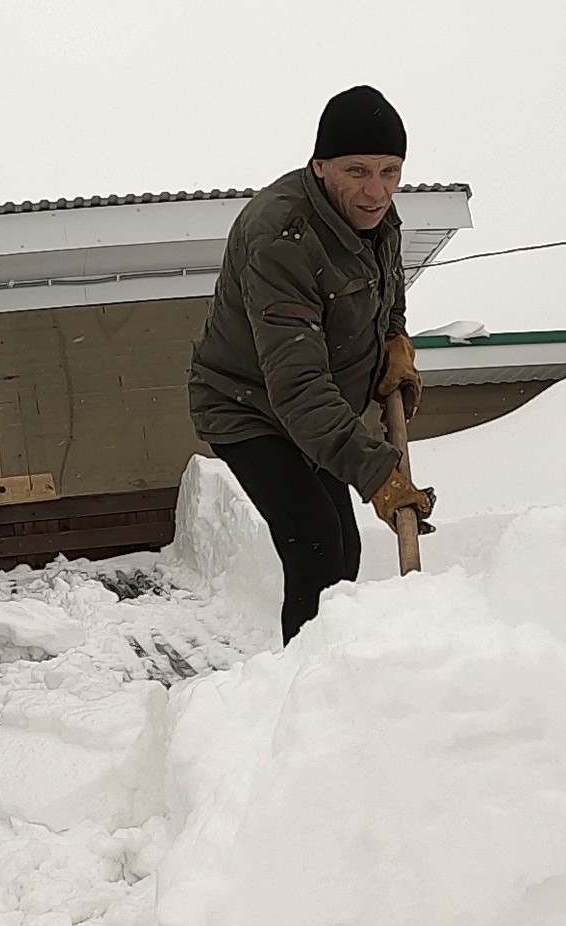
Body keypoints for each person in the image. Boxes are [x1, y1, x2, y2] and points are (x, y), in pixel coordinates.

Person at [187, 84, 435, 644]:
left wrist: (395, 343)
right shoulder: (281, 236)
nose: (377, 191)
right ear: (320, 166)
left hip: (319, 410)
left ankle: (328, 675)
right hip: (246, 405)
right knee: (317, 544)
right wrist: (379, 474)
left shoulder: (378, 219)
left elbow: (387, 293)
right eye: (358, 171)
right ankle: (300, 692)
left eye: (391, 171)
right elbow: (297, 387)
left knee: (344, 549)